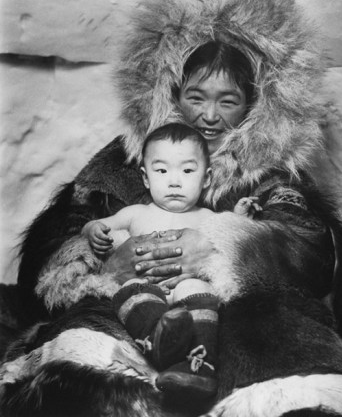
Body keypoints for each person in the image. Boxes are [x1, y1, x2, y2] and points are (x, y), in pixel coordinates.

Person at [0, 0, 342, 417]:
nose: (209, 116)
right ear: (169, 93)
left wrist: (225, 248)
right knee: (88, 356)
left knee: (283, 339)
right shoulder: (127, 162)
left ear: (256, 106)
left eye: (228, 101)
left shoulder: (271, 177)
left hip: (233, 324)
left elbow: (312, 253)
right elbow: (57, 244)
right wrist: (102, 260)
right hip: (131, 310)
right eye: (196, 97)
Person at [82, 122, 259, 397]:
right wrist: (94, 230)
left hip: (185, 294)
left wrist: (239, 220)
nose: (174, 181)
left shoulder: (208, 217)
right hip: (144, 292)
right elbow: (94, 225)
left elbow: (228, 240)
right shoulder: (135, 213)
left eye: (188, 170)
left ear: (207, 178)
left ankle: (199, 365)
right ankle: (156, 338)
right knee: (128, 290)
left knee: (199, 289)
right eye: (161, 170)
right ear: (145, 177)